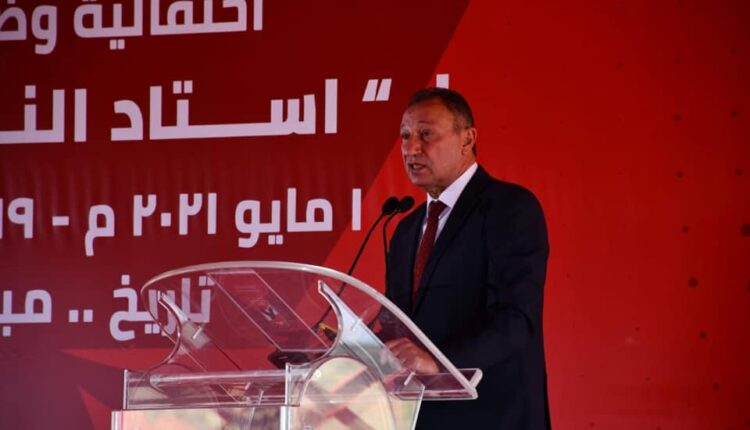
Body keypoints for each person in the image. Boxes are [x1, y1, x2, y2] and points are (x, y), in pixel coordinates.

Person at [385, 87, 551, 429]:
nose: (411, 148)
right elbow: (400, 323)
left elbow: (516, 319)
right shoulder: (405, 230)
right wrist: (348, 346)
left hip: (494, 415)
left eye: (426, 134)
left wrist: (438, 361)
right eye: (405, 135)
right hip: (421, 417)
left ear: (467, 139)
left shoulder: (509, 207)